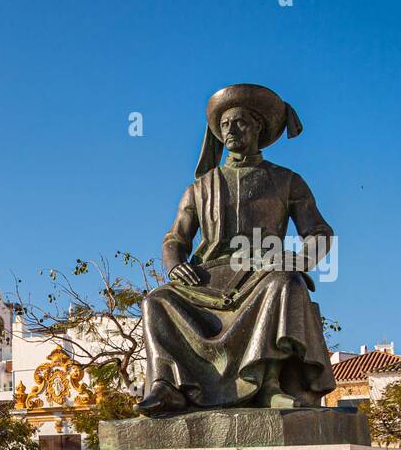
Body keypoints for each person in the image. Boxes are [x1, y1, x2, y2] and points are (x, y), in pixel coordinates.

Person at [138, 83, 336, 415]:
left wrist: (299, 258)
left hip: (261, 272)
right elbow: (175, 239)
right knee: (157, 300)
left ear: (258, 127)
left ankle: (267, 386)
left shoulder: (288, 181)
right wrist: (174, 264)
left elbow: (319, 232)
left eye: (240, 122)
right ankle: (166, 385)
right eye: (225, 124)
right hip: (207, 280)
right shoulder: (201, 187)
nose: (231, 129)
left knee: (284, 283)